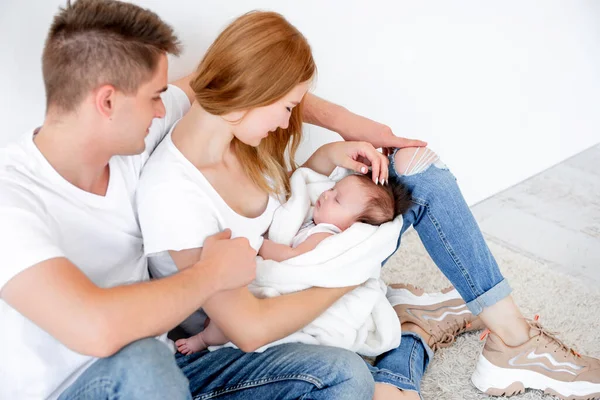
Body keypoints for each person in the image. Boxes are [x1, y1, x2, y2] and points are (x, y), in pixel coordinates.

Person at [1, 1, 597, 400]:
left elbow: (231, 80)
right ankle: (407, 336)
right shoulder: (14, 201)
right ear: (107, 101)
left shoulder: (143, 133)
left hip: (231, 307)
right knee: (148, 364)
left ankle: (509, 340)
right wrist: (220, 273)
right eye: (157, 95)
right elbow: (99, 329)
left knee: (416, 175)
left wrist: (344, 127)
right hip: (115, 374)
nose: (169, 103)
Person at [175, 172, 413, 355]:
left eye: (337, 200)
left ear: (353, 226)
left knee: (228, 322)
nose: (326, 195)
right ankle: (211, 330)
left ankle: (202, 341)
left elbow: (293, 257)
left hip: (286, 286)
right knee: (226, 313)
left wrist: (260, 245)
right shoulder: (315, 221)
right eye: (332, 189)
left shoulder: (326, 236)